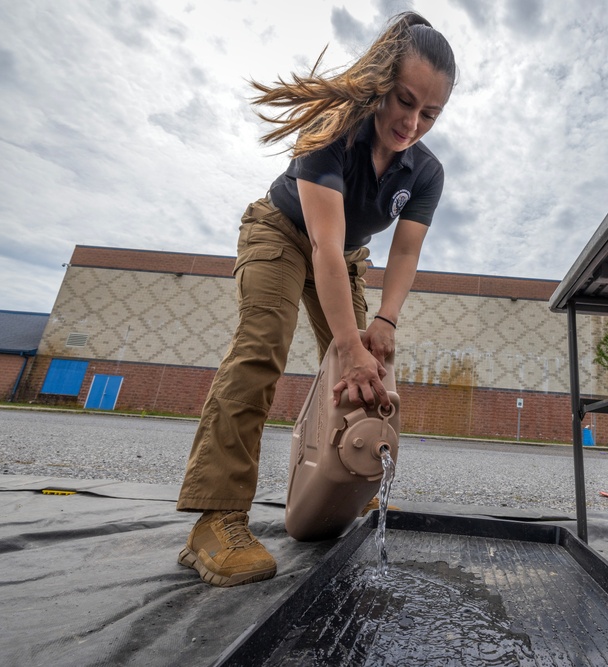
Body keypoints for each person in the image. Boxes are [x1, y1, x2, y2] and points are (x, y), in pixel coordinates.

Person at [175, 12, 456, 587]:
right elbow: (323, 244)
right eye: (404, 101)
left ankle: (349, 494)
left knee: (367, 377)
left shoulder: (425, 172)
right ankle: (216, 520)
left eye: (429, 113)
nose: (411, 122)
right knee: (261, 352)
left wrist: (384, 321)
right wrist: (348, 343)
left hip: (347, 256)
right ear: (381, 83)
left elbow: (402, 254)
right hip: (281, 231)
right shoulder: (332, 128)